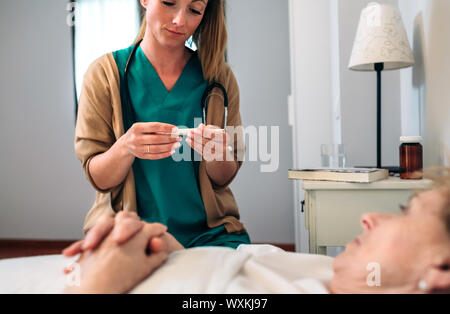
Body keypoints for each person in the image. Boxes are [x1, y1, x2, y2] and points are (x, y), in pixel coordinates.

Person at [63, 168, 450, 294]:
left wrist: (98, 282)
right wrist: (162, 245)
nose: (370, 216)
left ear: (442, 271)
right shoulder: (318, 271)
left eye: (406, 211)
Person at [75, 0, 250, 251]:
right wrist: (125, 147)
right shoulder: (104, 75)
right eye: (169, 2)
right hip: (131, 232)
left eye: (194, 10)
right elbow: (99, 178)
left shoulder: (219, 78)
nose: (180, 20)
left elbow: (223, 178)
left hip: (209, 234)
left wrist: (218, 154)